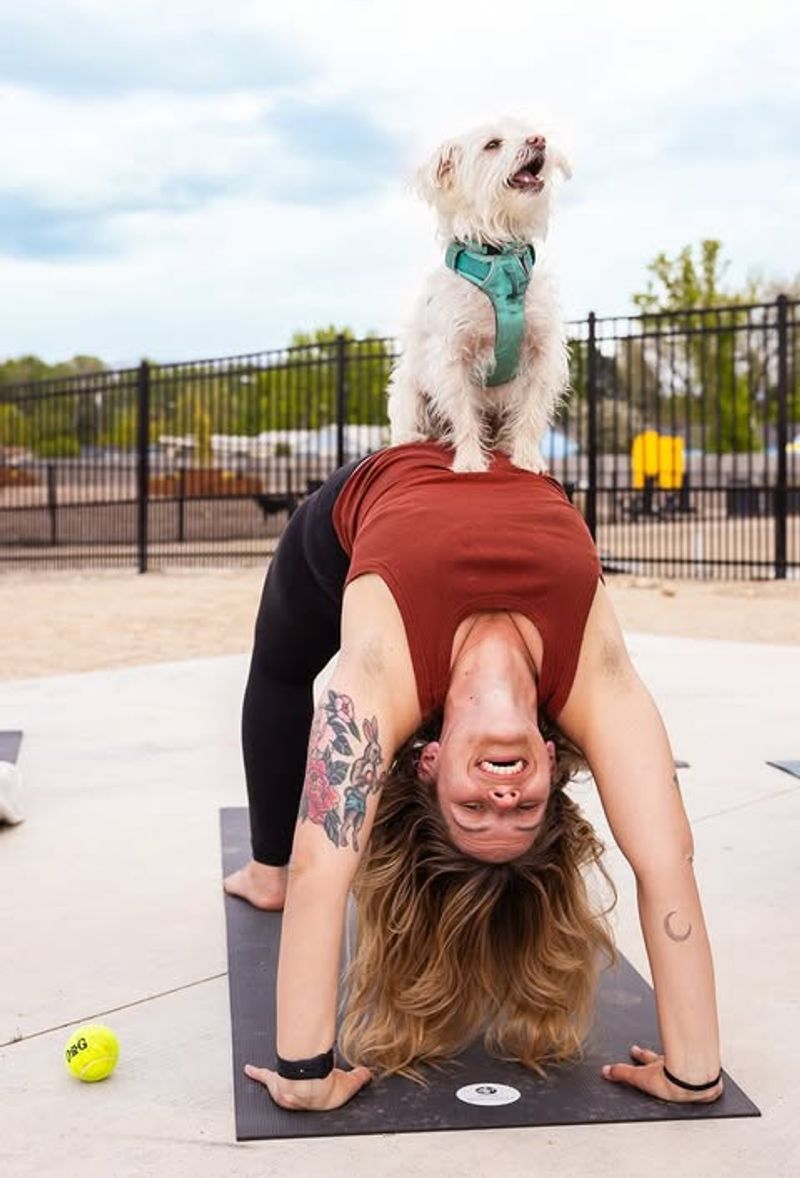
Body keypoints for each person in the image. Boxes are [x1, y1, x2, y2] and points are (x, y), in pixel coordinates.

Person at [224, 441, 723, 1112]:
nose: (504, 799)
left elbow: (323, 865)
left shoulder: (384, 682)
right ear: (551, 762)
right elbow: (668, 860)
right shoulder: (595, 682)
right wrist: (693, 1072)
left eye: (474, 812)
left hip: (359, 507)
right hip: (503, 442)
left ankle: (262, 873)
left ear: (427, 767)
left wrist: (307, 1074)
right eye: (523, 814)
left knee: (281, 672)